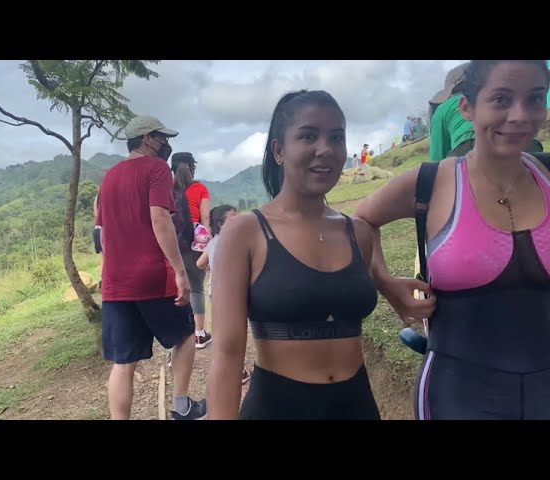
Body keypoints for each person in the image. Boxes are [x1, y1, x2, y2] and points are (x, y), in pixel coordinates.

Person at [356, 60, 550, 419]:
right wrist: (384, 282)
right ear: (467, 108)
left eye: (535, 98)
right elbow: (361, 219)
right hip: (457, 395)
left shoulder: (547, 175)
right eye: (502, 100)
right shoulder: (433, 182)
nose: (521, 115)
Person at [207, 90, 381, 420]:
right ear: (279, 150)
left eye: (337, 137)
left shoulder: (357, 233)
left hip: (357, 406)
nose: (325, 149)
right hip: (277, 408)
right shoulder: (245, 232)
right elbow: (228, 354)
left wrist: (388, 282)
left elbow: (345, 290)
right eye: (308, 136)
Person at [97, 114, 206, 420]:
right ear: (147, 138)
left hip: (116, 283)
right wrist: (180, 272)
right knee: (186, 335)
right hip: (152, 276)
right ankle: (183, 406)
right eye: (163, 138)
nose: (167, 144)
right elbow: (160, 218)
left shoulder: (110, 176)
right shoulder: (155, 168)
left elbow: (103, 231)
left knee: (123, 362)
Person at [196, 205, 250, 383]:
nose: (237, 219)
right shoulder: (235, 240)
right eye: (232, 217)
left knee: (222, 332)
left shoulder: (212, 242)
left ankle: (225, 369)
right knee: (235, 333)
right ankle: (238, 372)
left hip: (215, 292)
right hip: (233, 293)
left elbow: (199, 263)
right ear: (221, 223)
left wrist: (211, 266)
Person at [171, 152, 212, 349]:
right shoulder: (200, 188)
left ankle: (177, 335)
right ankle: (199, 335)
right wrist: (210, 246)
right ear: (192, 167)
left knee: (176, 288)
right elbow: (205, 218)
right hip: (194, 244)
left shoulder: (164, 189)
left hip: (171, 244)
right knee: (196, 288)